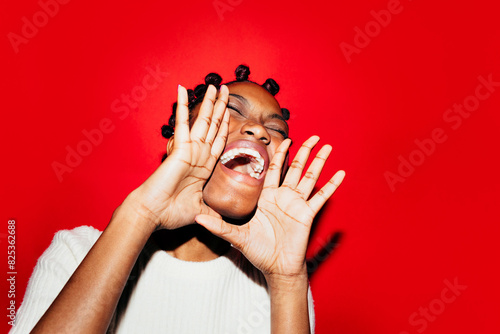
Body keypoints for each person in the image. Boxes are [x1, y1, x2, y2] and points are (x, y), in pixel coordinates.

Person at [11, 65, 345, 334]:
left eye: (275, 131)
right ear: (178, 138)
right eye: (231, 109)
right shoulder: (77, 252)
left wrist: (288, 282)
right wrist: (139, 214)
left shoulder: (280, 286)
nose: (259, 131)